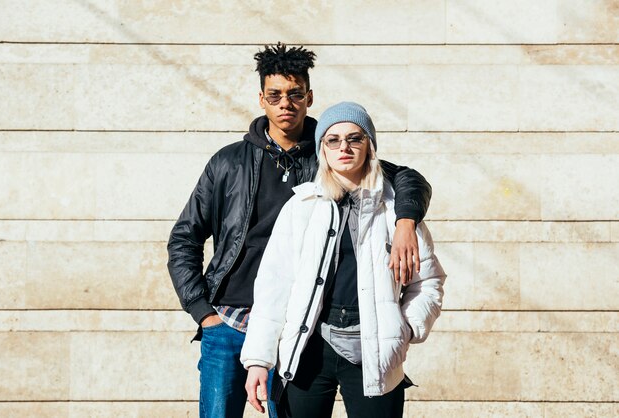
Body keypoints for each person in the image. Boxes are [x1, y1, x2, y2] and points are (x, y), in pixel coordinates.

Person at [167, 43, 432, 418]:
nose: (285, 103)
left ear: (309, 97)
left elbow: (407, 178)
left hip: (301, 324)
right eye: (275, 95)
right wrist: (202, 311)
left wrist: (406, 221)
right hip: (230, 320)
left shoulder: (329, 149)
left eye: (294, 94)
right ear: (262, 99)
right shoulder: (229, 162)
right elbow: (185, 237)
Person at [241, 102, 446, 418]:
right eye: (333, 140)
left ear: (369, 146)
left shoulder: (397, 210)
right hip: (308, 349)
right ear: (322, 148)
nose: (344, 147)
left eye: (355, 138)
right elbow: (273, 286)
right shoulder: (302, 206)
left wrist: (405, 329)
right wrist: (258, 359)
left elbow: (428, 281)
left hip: (374, 351)